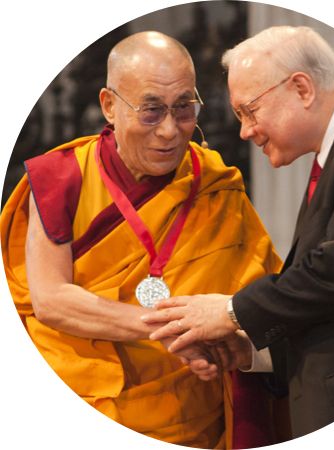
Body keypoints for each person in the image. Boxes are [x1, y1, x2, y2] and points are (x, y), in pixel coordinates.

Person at [145, 26, 334, 437]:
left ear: (302, 88)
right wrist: (249, 351)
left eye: (248, 111)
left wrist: (230, 311)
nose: (245, 132)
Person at [0, 31, 285, 448]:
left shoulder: (216, 184)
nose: (170, 131)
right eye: (151, 110)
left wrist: (235, 342)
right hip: (89, 397)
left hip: (194, 409)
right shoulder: (62, 177)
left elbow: (263, 292)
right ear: (109, 105)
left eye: (184, 108)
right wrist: (170, 330)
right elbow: (50, 298)